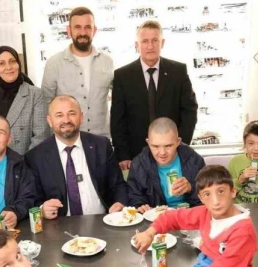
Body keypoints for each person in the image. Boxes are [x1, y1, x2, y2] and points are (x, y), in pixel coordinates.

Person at [111, 20, 198, 170]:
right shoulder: (122, 76)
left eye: (155, 40)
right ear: (137, 45)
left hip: (173, 154)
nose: (150, 46)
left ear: (162, 43)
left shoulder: (178, 71)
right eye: (145, 41)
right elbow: (118, 119)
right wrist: (123, 154)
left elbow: (189, 112)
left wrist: (179, 146)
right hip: (136, 156)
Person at [25, 95, 128, 219]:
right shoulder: (35, 157)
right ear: (50, 121)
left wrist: (120, 202)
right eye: (59, 115)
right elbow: (31, 199)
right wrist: (42, 209)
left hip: (103, 221)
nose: (66, 120)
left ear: (81, 117)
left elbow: (118, 185)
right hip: (60, 224)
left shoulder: (101, 145)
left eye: (72, 113)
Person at [41, 7, 114, 137]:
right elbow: (46, 104)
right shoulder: (54, 63)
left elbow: (120, 99)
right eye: (77, 27)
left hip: (101, 139)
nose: (83, 32)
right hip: (67, 139)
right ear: (69, 31)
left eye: (87, 27)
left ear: (94, 30)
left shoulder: (107, 61)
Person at [0, 46, 50, 155]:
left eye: (12, 61)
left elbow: (41, 137)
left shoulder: (35, 94)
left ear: (18, 64)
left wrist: (23, 163)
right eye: (1, 63)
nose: (8, 67)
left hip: (25, 162)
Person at [127, 117, 204, 211]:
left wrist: (191, 188)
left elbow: (208, 197)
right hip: (155, 217)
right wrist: (140, 206)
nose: (162, 152)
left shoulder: (194, 160)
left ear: (178, 142)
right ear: (148, 143)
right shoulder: (138, 164)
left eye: (168, 146)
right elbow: (134, 197)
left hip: (189, 214)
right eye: (156, 146)